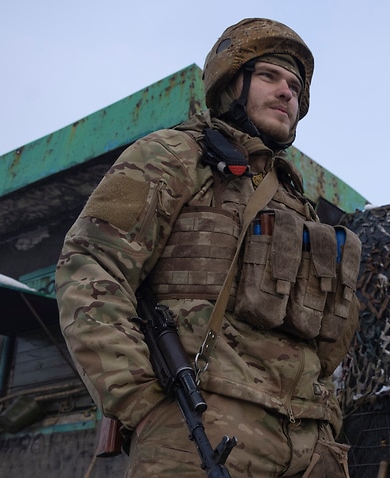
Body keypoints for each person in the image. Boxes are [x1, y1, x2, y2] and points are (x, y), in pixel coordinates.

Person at [56, 18, 359, 477]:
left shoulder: (300, 204)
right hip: (201, 428)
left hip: (311, 444)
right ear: (231, 82)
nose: (286, 92)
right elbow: (90, 267)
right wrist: (142, 401)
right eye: (269, 76)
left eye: (295, 86)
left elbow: (330, 334)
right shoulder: (174, 155)